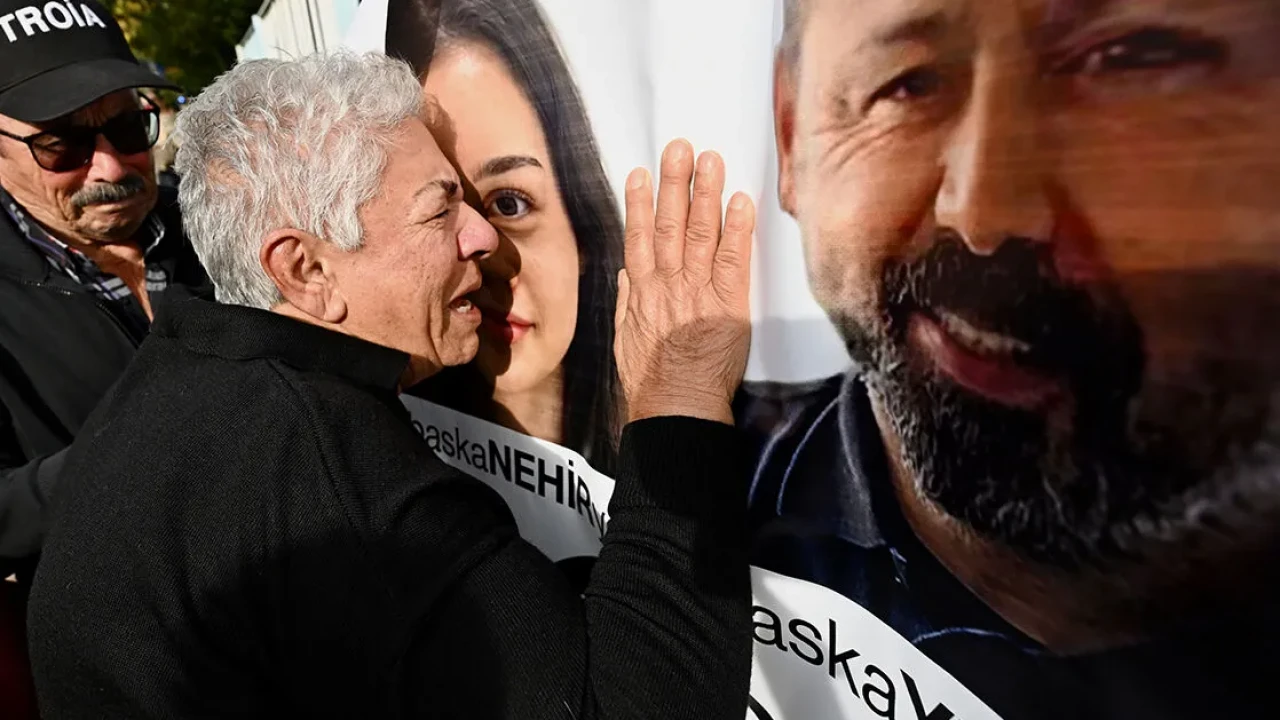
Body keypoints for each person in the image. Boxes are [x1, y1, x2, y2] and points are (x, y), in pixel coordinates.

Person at [28, 51, 760, 719]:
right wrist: (681, 396)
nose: (483, 237)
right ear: (306, 271)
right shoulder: (335, 482)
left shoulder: (182, 367)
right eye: (441, 210)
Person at [737, 0, 1280, 717]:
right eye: (909, 83)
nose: (986, 211)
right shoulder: (667, 494)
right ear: (791, 141)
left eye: (1130, 60)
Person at [0, 0, 211, 581]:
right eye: (60, 145)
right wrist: (137, 453)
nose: (112, 169)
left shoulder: (222, 224)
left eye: (126, 128)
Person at [396, 0, 625, 476]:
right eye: (438, 211)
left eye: (509, 204)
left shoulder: (699, 449)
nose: (481, 259)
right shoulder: (389, 451)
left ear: (580, 224)